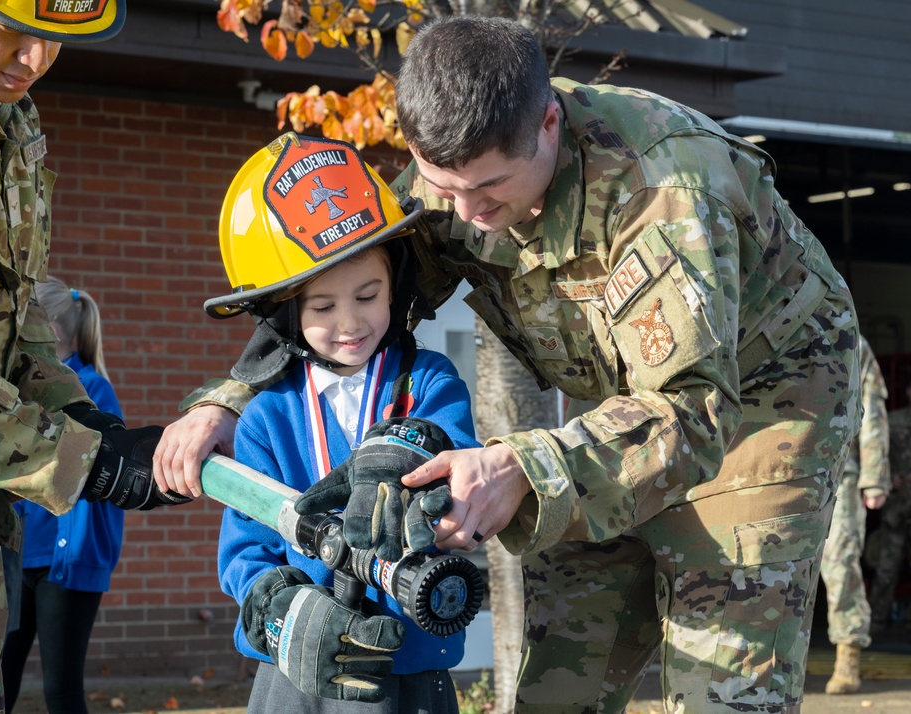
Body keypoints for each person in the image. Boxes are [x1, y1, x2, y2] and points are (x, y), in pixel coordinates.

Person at [156, 15, 861, 713]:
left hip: (761, 404)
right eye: (445, 187)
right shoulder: (455, 176)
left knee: (724, 685)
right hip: (621, 408)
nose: (467, 212)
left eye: (490, 188)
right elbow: (346, 287)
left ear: (548, 124)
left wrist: (523, 465)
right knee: (561, 680)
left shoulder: (664, 188)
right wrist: (226, 400)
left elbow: (693, 412)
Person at [0, 3, 194, 712]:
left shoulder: (13, 121)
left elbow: (19, 312)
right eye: (16, 32)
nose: (35, 60)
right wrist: (76, 460)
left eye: (56, 41)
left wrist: (88, 422)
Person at [212, 134, 477, 711]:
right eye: (323, 308)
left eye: (369, 295)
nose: (351, 323)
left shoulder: (429, 381)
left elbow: (458, 457)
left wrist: (416, 449)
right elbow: (244, 550)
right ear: (286, 314)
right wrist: (274, 604)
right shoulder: (265, 418)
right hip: (300, 671)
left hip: (409, 665)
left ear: (397, 286)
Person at [1, 278, 127, 713]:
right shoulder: (24, 387)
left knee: (62, 689)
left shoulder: (93, 390)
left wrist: (67, 555)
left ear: (50, 329)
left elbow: (90, 480)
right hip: (20, 560)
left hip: (65, 567)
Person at [818, 334, 889, 695]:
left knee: (840, 561)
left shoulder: (849, 334)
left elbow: (872, 407)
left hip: (838, 470)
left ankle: (848, 653)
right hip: (773, 471)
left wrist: (875, 476)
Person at [868, 383, 911, 632]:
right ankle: (875, 622)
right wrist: (888, 479)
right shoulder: (891, 420)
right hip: (895, 505)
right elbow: (876, 454)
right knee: (886, 567)